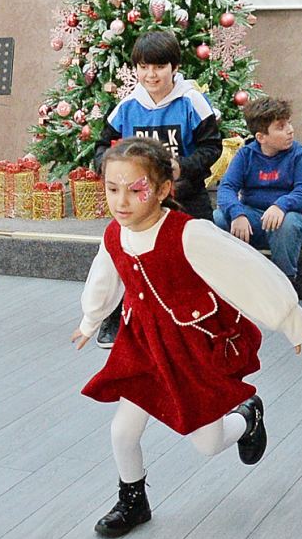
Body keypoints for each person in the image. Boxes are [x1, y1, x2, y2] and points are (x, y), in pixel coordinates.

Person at [74, 138, 302, 537]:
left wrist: (291, 320)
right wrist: (90, 320)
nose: (121, 201)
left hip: (189, 349)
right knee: (122, 431)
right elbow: (105, 277)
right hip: (142, 346)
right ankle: (133, 501)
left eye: (135, 190)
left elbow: (247, 271)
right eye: (112, 189)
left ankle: (247, 417)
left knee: (207, 443)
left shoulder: (190, 234)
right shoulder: (115, 234)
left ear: (163, 190)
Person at [91, 29, 224, 347]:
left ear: (174, 68)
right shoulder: (127, 106)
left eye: (160, 67)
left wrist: (183, 167)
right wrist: (111, 172)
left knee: (203, 252)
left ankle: (209, 318)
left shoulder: (192, 101)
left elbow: (212, 147)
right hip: (140, 200)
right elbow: (101, 147)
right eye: (144, 67)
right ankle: (114, 317)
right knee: (123, 253)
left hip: (186, 195)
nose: (151, 75)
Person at [213, 97, 302, 281]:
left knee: (286, 224)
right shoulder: (246, 154)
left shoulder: (300, 155)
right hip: (255, 218)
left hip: (291, 219)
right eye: (281, 127)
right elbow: (227, 188)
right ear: (261, 137)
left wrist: (280, 205)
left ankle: (284, 282)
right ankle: (233, 279)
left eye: (289, 123)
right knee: (218, 218)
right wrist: (237, 213)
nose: (290, 130)